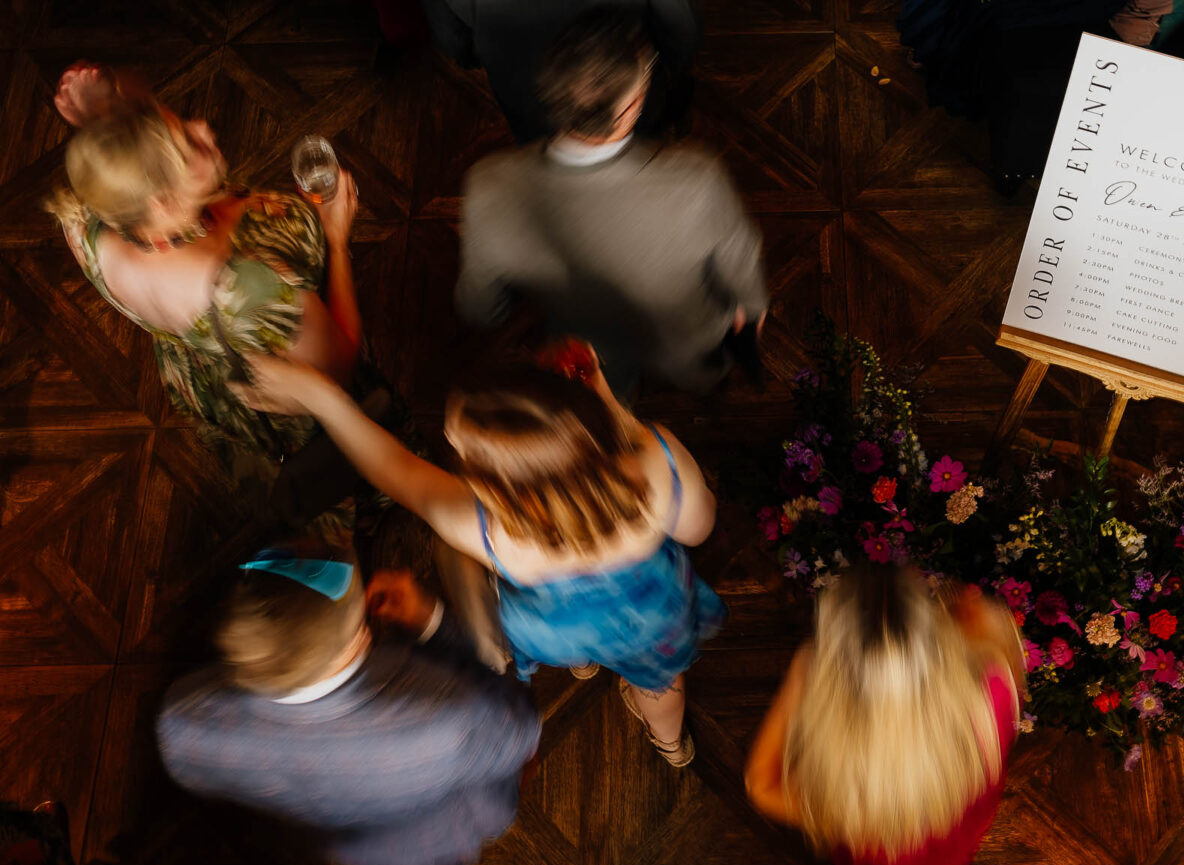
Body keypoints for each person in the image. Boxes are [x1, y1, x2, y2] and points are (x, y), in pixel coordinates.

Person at [231, 345, 724, 767]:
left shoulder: (486, 528)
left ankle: (582, 664)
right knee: (660, 684)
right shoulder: (658, 464)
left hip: (557, 628)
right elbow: (700, 529)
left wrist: (321, 396)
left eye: (462, 451)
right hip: (649, 618)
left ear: (494, 485)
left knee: (577, 647)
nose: (450, 447)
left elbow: (390, 468)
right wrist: (612, 409)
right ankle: (671, 743)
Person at [45, 64, 382, 532]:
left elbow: (121, 163)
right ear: (162, 202)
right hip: (285, 380)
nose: (203, 127)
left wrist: (105, 115)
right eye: (189, 143)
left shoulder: (85, 220)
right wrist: (337, 239)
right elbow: (340, 364)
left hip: (206, 375)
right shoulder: (244, 289)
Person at [156, 546, 541, 865]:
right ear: (358, 637)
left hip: (354, 844)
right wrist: (433, 623)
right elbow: (519, 729)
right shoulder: (450, 716)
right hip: (443, 826)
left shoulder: (186, 721)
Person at [454, 8, 767, 397]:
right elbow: (739, 259)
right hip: (683, 342)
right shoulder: (695, 180)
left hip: (586, 347)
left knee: (611, 396)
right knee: (705, 378)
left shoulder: (488, 186)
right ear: (632, 106)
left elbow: (481, 309)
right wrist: (751, 308)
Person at [744, 566, 1027, 865]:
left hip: (891, 856)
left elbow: (761, 785)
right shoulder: (995, 683)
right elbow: (994, 632)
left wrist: (803, 671)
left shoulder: (846, 793)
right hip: (958, 820)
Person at [418, 0, 701, 143]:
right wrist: (677, 64)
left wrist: (478, 56)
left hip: (527, 95)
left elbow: (451, 39)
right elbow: (678, 24)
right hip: (623, 94)